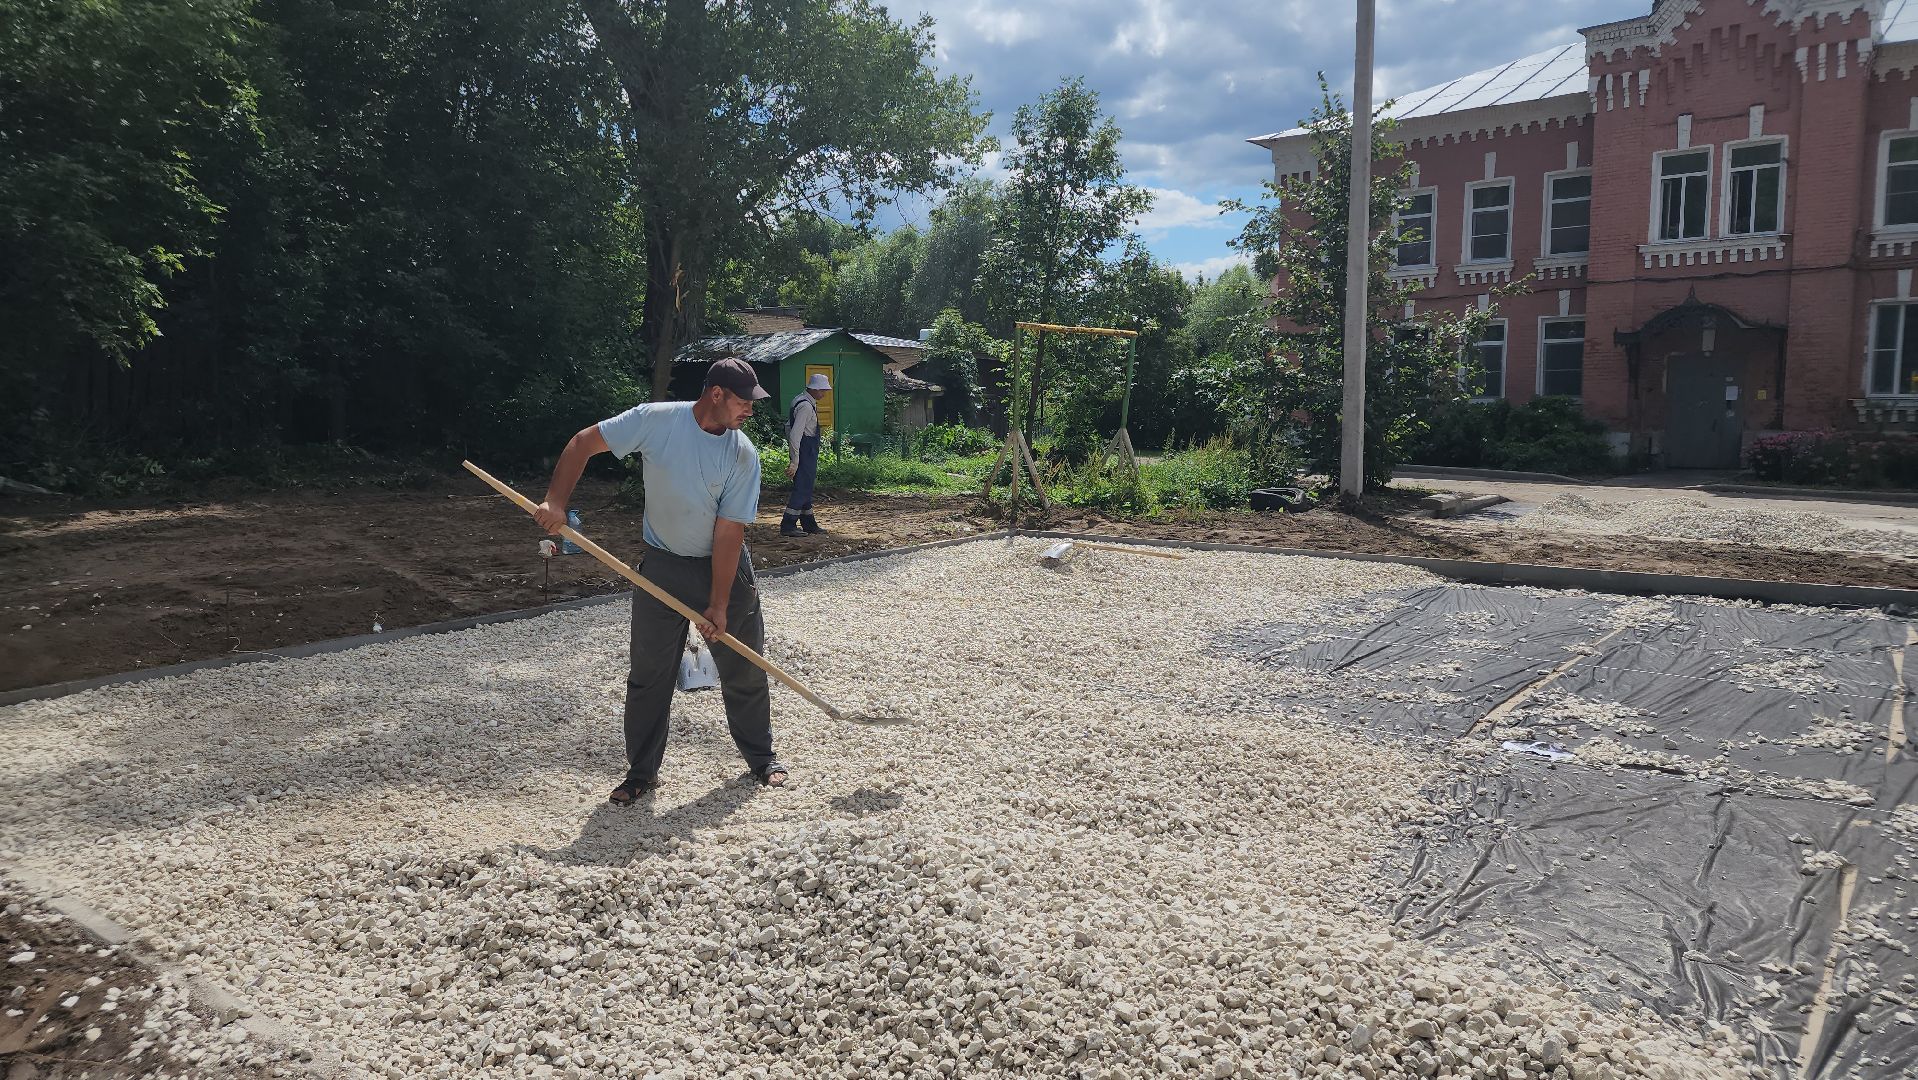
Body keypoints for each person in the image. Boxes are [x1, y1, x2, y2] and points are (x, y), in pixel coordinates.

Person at [532, 357, 788, 804]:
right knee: (649, 674)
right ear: (716, 394)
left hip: (721, 567)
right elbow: (582, 443)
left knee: (743, 666)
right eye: (743, 401)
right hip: (662, 566)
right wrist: (555, 502)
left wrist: (719, 604)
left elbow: (729, 533)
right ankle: (640, 772)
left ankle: (762, 759)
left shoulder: (741, 454)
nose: (750, 409)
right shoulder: (655, 421)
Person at [780, 372, 830, 536]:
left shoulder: (800, 400)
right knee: (802, 488)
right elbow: (795, 434)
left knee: (806, 487)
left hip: (806, 450)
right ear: (814, 389)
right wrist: (795, 460)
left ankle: (809, 523)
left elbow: (788, 427)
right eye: (822, 390)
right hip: (805, 450)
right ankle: (788, 525)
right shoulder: (806, 406)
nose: (824, 394)